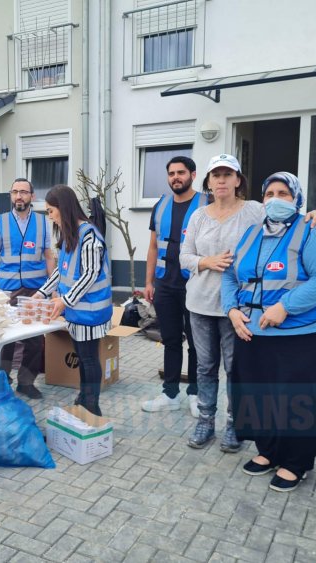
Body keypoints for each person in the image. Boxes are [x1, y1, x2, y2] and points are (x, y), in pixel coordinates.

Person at [180, 155, 316, 454]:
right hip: (200, 304)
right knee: (205, 367)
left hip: (238, 309)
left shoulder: (254, 210)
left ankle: (235, 424)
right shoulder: (198, 216)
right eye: (215, 175)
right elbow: (184, 256)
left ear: (238, 180)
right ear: (208, 182)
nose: (221, 180)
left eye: (227, 174)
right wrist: (206, 262)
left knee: (237, 368)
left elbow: (287, 220)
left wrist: (315, 214)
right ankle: (206, 421)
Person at [223, 172, 316, 492]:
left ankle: (295, 462)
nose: (275, 199)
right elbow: (232, 277)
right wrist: (231, 310)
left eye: (283, 193)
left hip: (300, 335)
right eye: (269, 193)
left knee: (297, 401)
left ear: (297, 199)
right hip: (253, 333)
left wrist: (285, 307)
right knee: (258, 396)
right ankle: (268, 451)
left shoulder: (313, 230)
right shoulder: (250, 234)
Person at [34, 185, 112, 416]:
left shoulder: (89, 237)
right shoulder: (70, 234)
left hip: (90, 311)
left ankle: (92, 405)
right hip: (76, 310)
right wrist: (42, 293)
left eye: (50, 211)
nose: (50, 217)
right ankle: (84, 398)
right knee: (83, 355)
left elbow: (89, 274)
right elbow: (62, 271)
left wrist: (64, 300)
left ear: (63, 208)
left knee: (88, 358)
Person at [141, 156, 207, 418]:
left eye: (181, 172)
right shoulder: (160, 205)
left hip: (196, 285)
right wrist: (148, 282)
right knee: (170, 340)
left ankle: (196, 393)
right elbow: (153, 247)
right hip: (165, 285)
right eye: (171, 173)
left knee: (197, 343)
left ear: (192, 174)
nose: (175, 177)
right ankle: (170, 393)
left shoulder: (207, 203)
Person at [0, 178, 55, 399]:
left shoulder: (43, 222)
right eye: (15, 192)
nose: (19, 196)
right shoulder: (2, 222)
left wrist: (53, 289)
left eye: (23, 192)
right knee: (6, 337)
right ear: (10, 195)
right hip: (9, 289)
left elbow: (49, 256)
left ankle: (26, 382)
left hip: (36, 290)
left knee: (34, 339)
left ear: (32, 196)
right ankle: (3, 380)